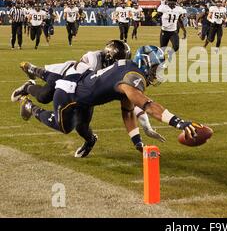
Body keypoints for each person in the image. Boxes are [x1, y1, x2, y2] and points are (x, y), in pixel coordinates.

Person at [16, 46, 199, 157]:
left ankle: (89, 141)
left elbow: (128, 112)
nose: (157, 73)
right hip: (69, 92)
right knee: (64, 127)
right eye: (155, 68)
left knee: (83, 128)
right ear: (145, 63)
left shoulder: (129, 72)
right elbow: (146, 104)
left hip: (84, 95)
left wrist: (137, 142)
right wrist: (178, 122)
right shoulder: (132, 76)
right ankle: (29, 106)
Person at [12, 41, 165, 143]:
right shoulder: (92, 58)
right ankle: (29, 80)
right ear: (109, 57)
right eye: (117, 62)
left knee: (80, 123)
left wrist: (147, 126)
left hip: (76, 87)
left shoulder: (112, 71)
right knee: (44, 96)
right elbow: (72, 80)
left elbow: (133, 99)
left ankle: (89, 141)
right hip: (65, 76)